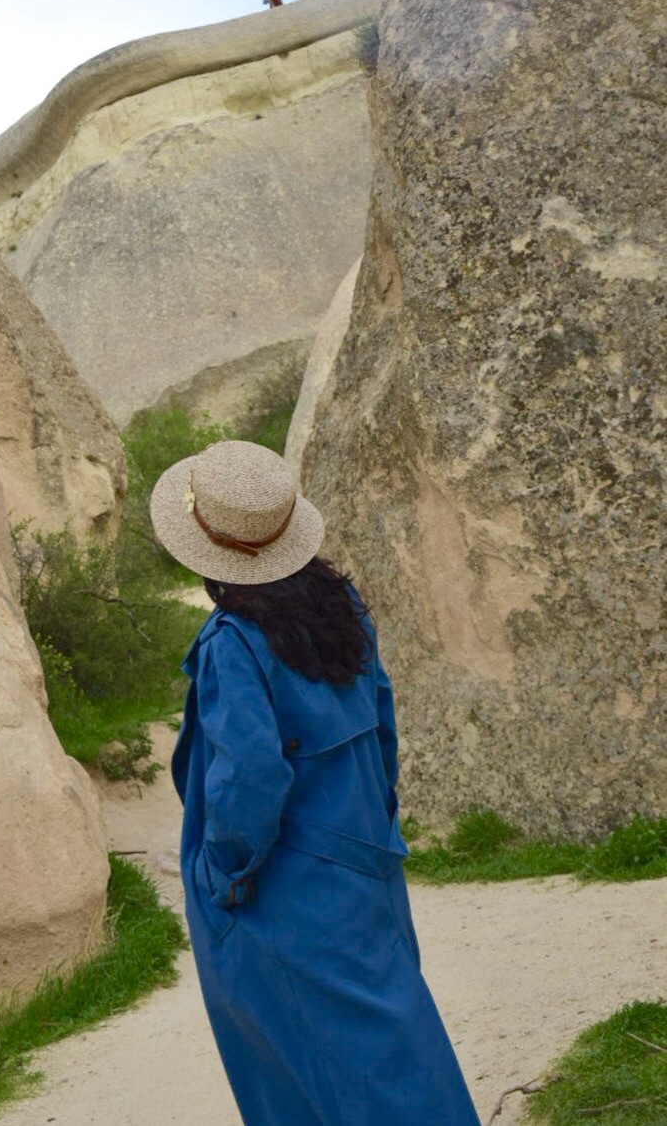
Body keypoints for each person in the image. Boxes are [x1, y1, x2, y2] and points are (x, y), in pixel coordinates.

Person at [150, 439, 479, 1126]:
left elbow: (250, 776)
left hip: (285, 889)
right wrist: (374, 829)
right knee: (394, 1054)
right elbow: (383, 727)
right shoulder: (343, 608)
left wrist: (224, 874)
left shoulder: (233, 642)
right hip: (365, 863)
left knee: (297, 1075)